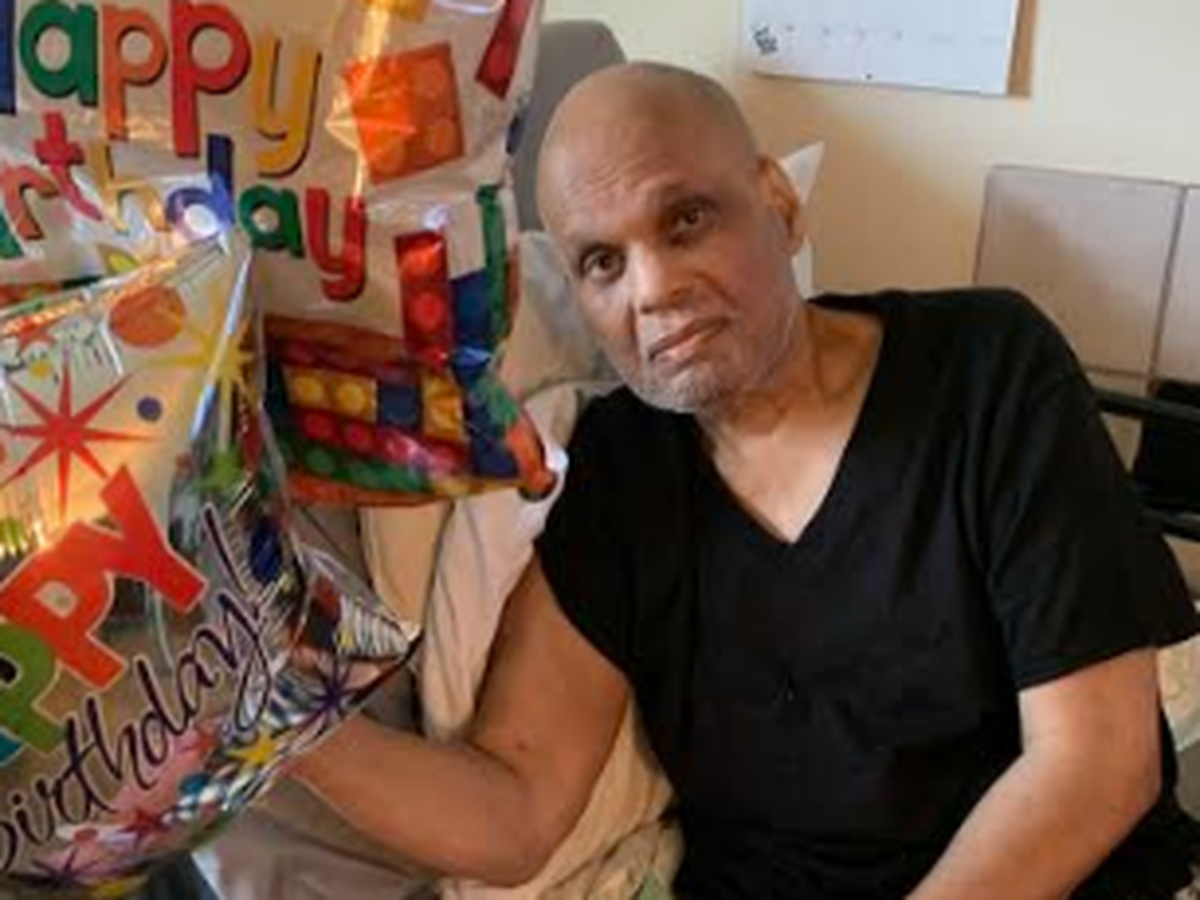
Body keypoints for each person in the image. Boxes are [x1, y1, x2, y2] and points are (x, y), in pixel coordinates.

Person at [291, 62, 1200, 899]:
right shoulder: (622, 476)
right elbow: (517, 806)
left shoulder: (987, 372)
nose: (652, 289)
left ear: (780, 206)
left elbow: (1095, 765)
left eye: (686, 220)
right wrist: (272, 724)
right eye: (603, 263)